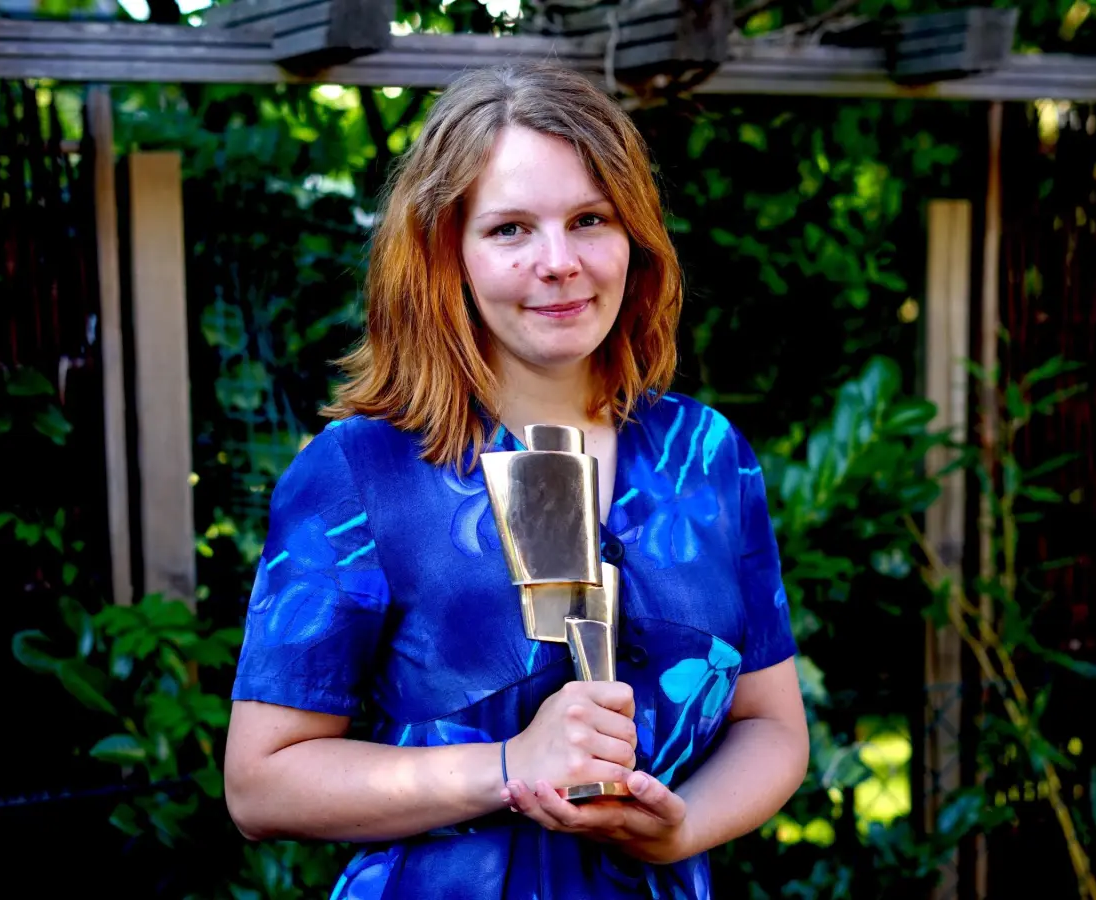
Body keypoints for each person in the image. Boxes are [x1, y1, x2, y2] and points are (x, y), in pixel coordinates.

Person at [223, 61, 809, 899]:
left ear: (634, 236)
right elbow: (259, 784)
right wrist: (507, 766)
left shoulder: (706, 455)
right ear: (445, 252)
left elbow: (773, 725)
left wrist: (679, 827)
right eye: (509, 230)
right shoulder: (364, 472)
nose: (560, 261)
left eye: (589, 219)